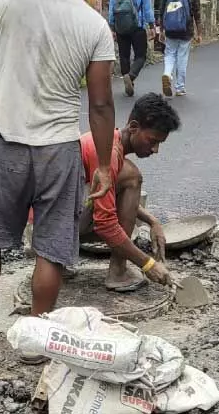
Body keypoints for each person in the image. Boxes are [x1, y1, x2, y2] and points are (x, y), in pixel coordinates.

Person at [0, 0, 116, 363]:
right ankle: (35, 341)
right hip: (59, 151)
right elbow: (102, 105)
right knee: (51, 248)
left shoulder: (0, 0)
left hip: (6, 142)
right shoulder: (93, 24)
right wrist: (103, 164)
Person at [80, 93, 178, 291]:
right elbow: (105, 225)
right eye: (152, 141)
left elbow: (102, 195)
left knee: (128, 178)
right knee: (132, 177)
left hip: (53, 222)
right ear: (133, 127)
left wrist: (153, 222)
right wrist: (148, 264)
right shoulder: (107, 154)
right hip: (54, 228)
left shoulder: (110, 142)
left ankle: (57, 260)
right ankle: (117, 271)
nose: (155, 149)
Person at [109, 0, 155, 97]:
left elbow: (111, 10)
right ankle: (132, 76)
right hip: (137, 27)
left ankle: (127, 80)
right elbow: (147, 9)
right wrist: (152, 25)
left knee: (124, 55)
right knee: (140, 56)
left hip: (121, 27)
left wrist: (112, 27)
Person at [160, 0, 202, 97]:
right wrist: (199, 32)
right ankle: (180, 87)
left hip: (170, 28)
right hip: (186, 30)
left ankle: (167, 73)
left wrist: (161, 29)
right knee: (182, 57)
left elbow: (161, 11)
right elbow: (197, 13)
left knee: (170, 53)